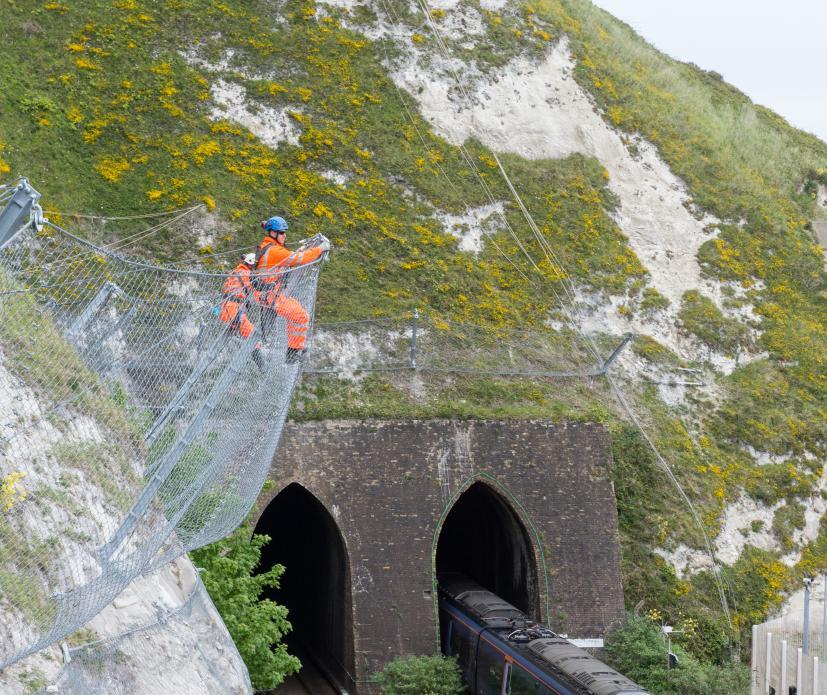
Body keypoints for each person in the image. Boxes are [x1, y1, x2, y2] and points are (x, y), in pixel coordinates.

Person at [255, 215, 329, 363]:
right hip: (269, 296)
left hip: (271, 293)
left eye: (284, 232)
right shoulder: (275, 251)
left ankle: (293, 350)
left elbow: (288, 258)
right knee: (300, 316)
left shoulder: (270, 248)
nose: (284, 235)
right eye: (281, 233)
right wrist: (320, 249)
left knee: (300, 313)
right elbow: (298, 259)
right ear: (273, 233)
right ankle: (292, 352)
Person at [220, 252, 264, 369]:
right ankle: (263, 367)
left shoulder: (237, 272)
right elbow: (254, 290)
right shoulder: (245, 273)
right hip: (232, 310)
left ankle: (259, 364)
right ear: (251, 264)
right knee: (253, 337)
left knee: (250, 335)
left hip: (230, 309)